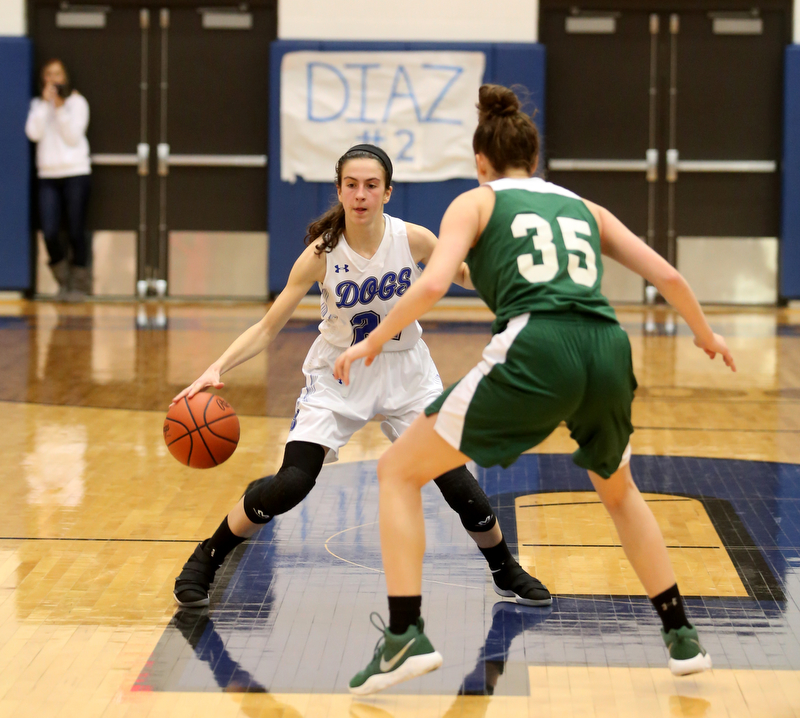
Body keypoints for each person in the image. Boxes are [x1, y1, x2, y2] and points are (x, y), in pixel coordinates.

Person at [334, 85, 737, 695]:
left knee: (397, 472)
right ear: (535, 157)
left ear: (481, 162)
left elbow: (434, 283)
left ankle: (404, 635)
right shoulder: (582, 207)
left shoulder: (475, 202)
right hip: (607, 346)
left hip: (537, 344)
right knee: (620, 491)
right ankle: (682, 636)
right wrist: (704, 334)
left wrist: (371, 340)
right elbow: (668, 275)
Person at [170, 143, 551, 615]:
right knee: (291, 484)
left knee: (455, 480)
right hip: (339, 375)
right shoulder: (320, 255)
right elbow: (268, 327)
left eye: (372, 185)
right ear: (339, 190)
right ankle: (209, 553)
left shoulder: (413, 239)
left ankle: (504, 568)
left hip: (407, 371)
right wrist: (216, 367)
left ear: (388, 192)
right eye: (351, 185)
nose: (361, 194)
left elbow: (467, 276)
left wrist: (509, 280)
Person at [25, 59, 92, 300]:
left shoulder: (77, 102)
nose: (53, 79)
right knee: (50, 231)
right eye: (48, 74)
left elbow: (73, 137)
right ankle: (63, 281)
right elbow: (33, 133)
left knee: (76, 229)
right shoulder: (37, 104)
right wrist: (46, 104)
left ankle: (81, 285)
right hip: (48, 175)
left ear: (65, 76)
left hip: (76, 172)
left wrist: (61, 107)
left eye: (58, 74)